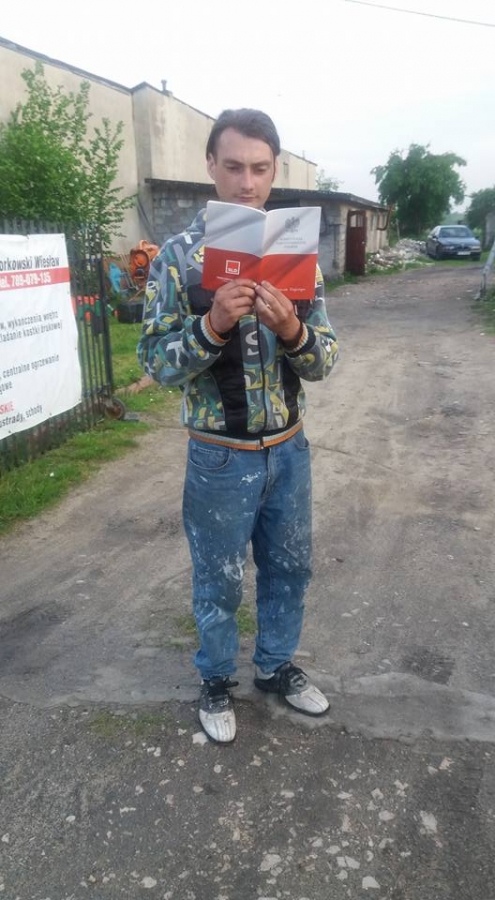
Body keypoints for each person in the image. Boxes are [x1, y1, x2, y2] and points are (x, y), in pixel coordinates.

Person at [138, 108, 339, 743]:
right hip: (219, 455)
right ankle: (216, 679)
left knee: (290, 568)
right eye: (233, 167)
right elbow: (155, 363)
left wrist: (294, 329)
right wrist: (212, 326)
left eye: (259, 168)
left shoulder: (297, 255)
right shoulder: (177, 260)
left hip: (289, 449)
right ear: (210, 166)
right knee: (218, 579)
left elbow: (324, 362)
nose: (246, 183)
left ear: (274, 170)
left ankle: (275, 667)